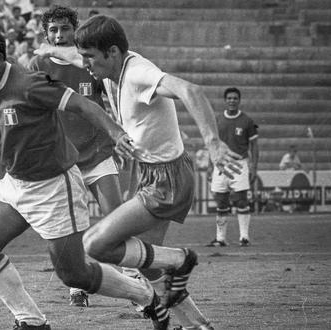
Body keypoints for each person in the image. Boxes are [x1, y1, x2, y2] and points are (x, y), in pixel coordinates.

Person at [35, 15, 242, 330]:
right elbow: (69, 54)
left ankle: (180, 259)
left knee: (95, 245)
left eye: (90, 57)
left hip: (167, 179)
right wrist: (45, 51)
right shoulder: (106, 65)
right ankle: (197, 325)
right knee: (146, 264)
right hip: (155, 173)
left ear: (113, 52)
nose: (85, 64)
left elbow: (192, 91)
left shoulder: (138, 73)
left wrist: (213, 144)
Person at [0, 25, 171, 330]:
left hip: (54, 186)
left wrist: (118, 135)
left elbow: (84, 105)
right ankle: (31, 322)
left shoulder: (30, 84)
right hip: (14, 184)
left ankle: (147, 297)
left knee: (74, 275)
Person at [27, 5, 123, 308]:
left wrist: (119, 135)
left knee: (117, 217)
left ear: (74, 29)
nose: (59, 34)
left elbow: (110, 97)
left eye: (64, 29)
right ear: (45, 34)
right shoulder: (37, 64)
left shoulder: (89, 59)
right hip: (63, 160)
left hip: (98, 152)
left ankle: (134, 279)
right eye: (53, 30)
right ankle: (76, 286)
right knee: (72, 226)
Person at [207, 87, 259, 247]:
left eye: (235, 98)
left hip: (239, 165)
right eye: (229, 98)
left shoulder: (247, 121)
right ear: (225, 100)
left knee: (241, 201)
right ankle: (220, 238)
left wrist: (254, 168)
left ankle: (244, 237)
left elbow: (254, 146)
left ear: (239, 100)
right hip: (221, 165)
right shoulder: (217, 120)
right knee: (221, 201)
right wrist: (210, 166)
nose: (232, 101)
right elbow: (212, 145)